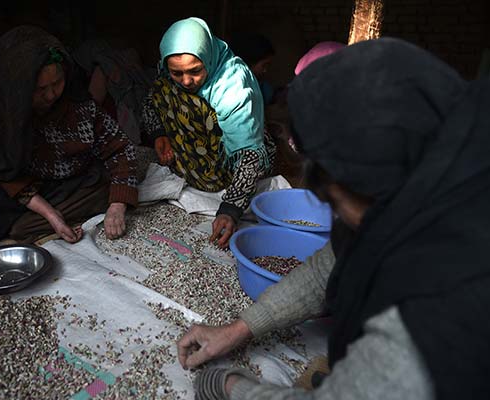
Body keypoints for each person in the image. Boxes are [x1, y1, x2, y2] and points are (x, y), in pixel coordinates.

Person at [176, 37, 490, 399]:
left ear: (363, 187)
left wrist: (228, 385)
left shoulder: (439, 308)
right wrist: (237, 329)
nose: (333, 216)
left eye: (334, 203)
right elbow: (333, 263)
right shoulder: (433, 169)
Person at [0, 25, 138, 243]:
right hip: (22, 191)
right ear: (19, 88)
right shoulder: (0, 115)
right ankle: (39, 221)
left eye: (57, 83)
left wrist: (117, 206)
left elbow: (120, 149)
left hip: (69, 185)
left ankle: (30, 225)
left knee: (109, 184)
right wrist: (50, 214)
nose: (51, 95)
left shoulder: (79, 106)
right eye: (40, 89)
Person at [141, 17, 276, 248]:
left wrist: (230, 209)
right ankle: (197, 172)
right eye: (177, 73)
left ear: (208, 58)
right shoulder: (167, 75)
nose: (186, 80)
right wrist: (159, 134)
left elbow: (249, 157)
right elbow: (150, 103)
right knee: (164, 87)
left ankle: (218, 180)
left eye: (195, 71)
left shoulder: (232, 85)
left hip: (230, 165)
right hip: (194, 159)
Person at [229, 32, 276, 104]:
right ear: (251, 62)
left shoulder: (264, 88)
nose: (265, 70)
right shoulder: (235, 89)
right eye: (264, 65)